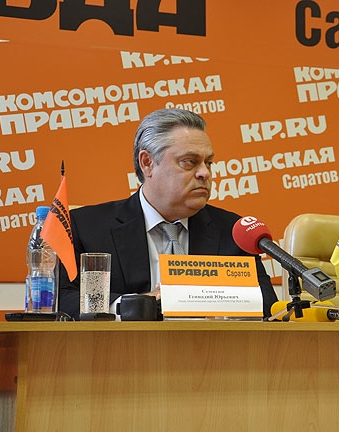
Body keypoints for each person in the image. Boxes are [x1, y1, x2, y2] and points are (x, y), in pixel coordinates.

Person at [58, 108, 278, 319]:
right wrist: (137, 305)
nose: (205, 173)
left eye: (208, 163)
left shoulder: (233, 232)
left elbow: (267, 304)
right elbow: (62, 299)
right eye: (189, 162)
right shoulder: (87, 228)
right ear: (147, 163)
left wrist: (202, 300)